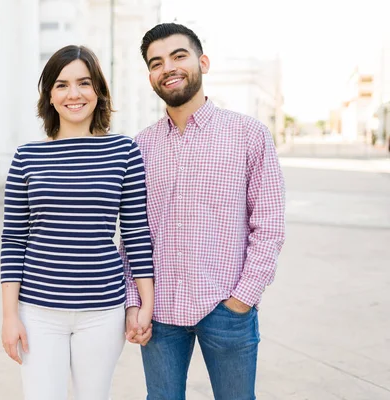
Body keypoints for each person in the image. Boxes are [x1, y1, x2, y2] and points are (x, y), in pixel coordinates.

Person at [122, 23, 286, 400]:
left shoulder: (249, 134)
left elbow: (269, 226)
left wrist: (242, 299)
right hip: (159, 310)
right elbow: (133, 233)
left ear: (203, 62)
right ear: (150, 75)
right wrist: (135, 301)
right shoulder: (140, 146)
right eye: (156, 62)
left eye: (179, 56)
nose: (169, 68)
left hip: (226, 308)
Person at [0, 45, 155, 400]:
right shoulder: (27, 157)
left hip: (103, 310)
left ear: (98, 91)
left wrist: (145, 303)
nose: (74, 94)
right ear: (50, 96)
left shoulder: (124, 151)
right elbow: (12, 241)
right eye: (62, 85)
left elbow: (135, 232)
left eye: (84, 83)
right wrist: (10, 316)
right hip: (38, 311)